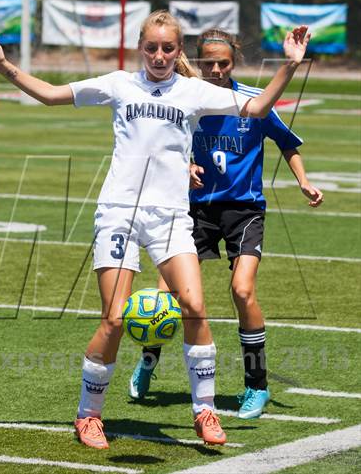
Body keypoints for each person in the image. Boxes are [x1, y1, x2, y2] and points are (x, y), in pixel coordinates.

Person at [0, 10, 310, 449]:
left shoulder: (193, 91)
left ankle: (204, 411)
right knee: (114, 319)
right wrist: (5, 67)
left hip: (172, 216)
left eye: (168, 48)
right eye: (151, 47)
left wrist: (289, 63)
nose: (159, 55)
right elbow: (50, 94)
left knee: (193, 306)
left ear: (177, 51)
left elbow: (257, 108)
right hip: (118, 212)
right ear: (140, 47)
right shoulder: (119, 83)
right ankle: (88, 416)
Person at [129, 27, 323, 419]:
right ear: (199, 62)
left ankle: (257, 385)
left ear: (235, 63)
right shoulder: (186, 100)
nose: (216, 69)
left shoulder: (252, 102)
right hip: (193, 209)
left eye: (224, 63)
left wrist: (303, 180)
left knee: (243, 290)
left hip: (244, 210)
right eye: (210, 63)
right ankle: (148, 362)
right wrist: (184, 165)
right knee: (167, 295)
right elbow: (159, 142)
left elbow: (288, 143)